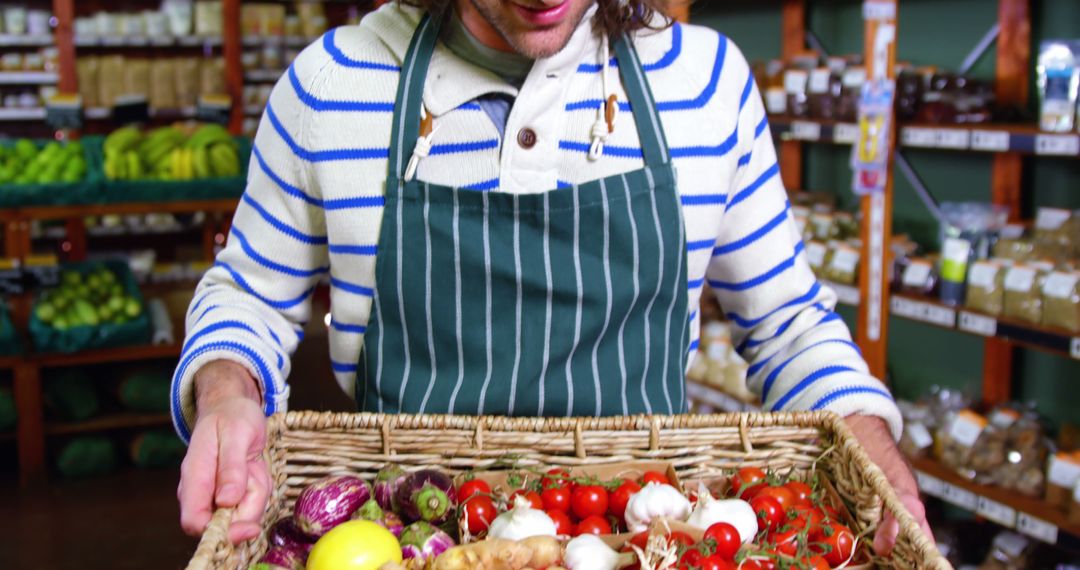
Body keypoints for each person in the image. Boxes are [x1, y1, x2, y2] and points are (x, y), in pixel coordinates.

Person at [174, 0, 932, 553]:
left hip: (642, 537)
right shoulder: (331, 86)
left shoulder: (704, 85)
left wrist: (876, 454)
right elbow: (249, 293)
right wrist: (225, 390)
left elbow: (788, 321)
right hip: (416, 539)